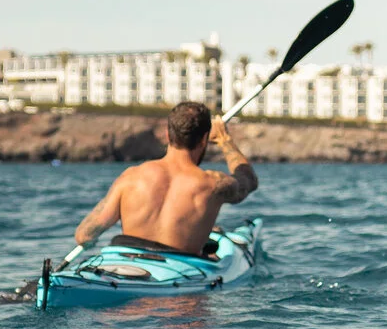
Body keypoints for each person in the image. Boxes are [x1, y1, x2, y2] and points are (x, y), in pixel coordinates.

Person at [72, 101, 258, 257]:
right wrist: (224, 139)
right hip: (182, 285)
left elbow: (84, 235)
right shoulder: (213, 184)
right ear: (203, 140)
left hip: (126, 265)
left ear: (168, 135)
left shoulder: (131, 177)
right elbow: (248, 179)